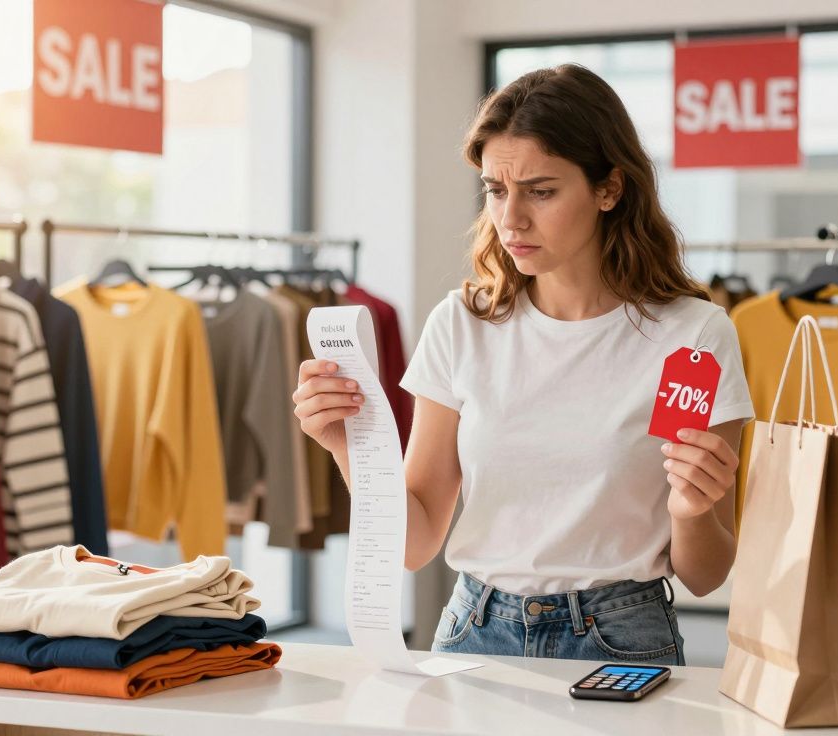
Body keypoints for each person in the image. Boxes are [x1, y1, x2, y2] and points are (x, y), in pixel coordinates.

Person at [291, 64, 753, 665]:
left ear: (609, 189)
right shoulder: (461, 325)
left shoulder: (690, 340)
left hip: (622, 640)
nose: (510, 219)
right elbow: (415, 540)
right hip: (473, 632)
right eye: (495, 189)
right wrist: (346, 444)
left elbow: (705, 574)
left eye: (541, 191)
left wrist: (690, 511)